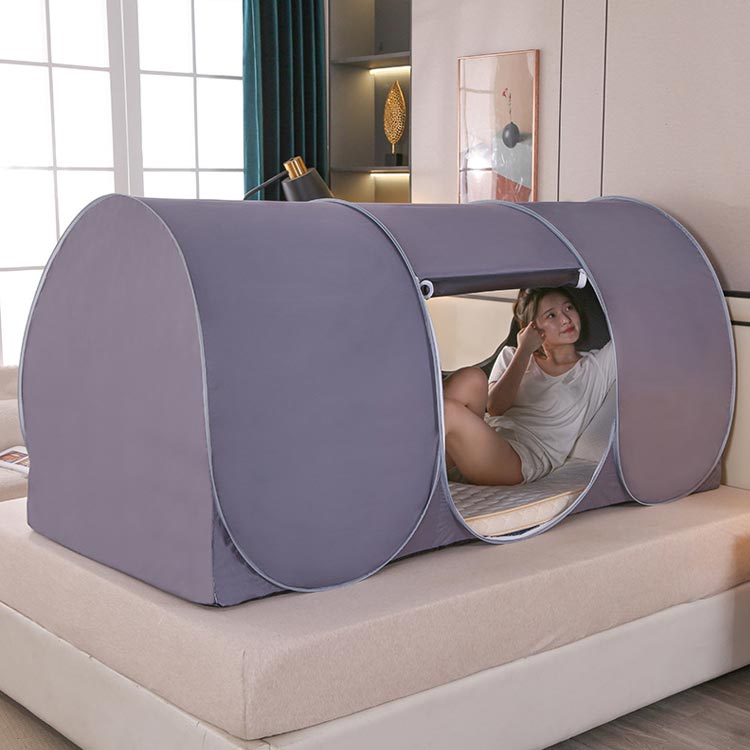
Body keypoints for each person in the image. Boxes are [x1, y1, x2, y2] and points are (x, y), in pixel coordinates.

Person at [443, 287, 615, 486]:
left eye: (569, 308)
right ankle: (431, 460)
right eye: (551, 315)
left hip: (520, 459)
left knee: (448, 411)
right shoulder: (513, 356)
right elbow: (496, 407)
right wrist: (524, 350)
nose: (566, 319)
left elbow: (633, 326)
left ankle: (416, 461)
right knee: (472, 377)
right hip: (485, 442)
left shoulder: (596, 366)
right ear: (532, 327)